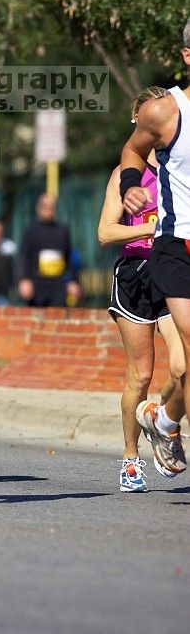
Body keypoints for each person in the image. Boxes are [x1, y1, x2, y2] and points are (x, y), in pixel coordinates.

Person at [98, 86, 185, 493]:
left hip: (170, 271)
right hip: (134, 275)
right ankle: (130, 458)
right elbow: (104, 232)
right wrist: (155, 226)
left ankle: (164, 420)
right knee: (141, 374)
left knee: (182, 365)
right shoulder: (125, 174)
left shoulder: (179, 168)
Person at [120, 19, 190, 478]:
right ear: (187, 56)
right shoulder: (166, 110)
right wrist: (129, 185)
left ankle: (163, 419)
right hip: (177, 245)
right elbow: (132, 151)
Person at [17, 193, 81, 307]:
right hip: (36, 285)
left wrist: (73, 281)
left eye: (51, 206)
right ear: (39, 208)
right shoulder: (31, 230)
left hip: (58, 285)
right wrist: (24, 279)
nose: (48, 209)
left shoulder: (62, 231)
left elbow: (70, 258)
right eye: (45, 206)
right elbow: (24, 257)